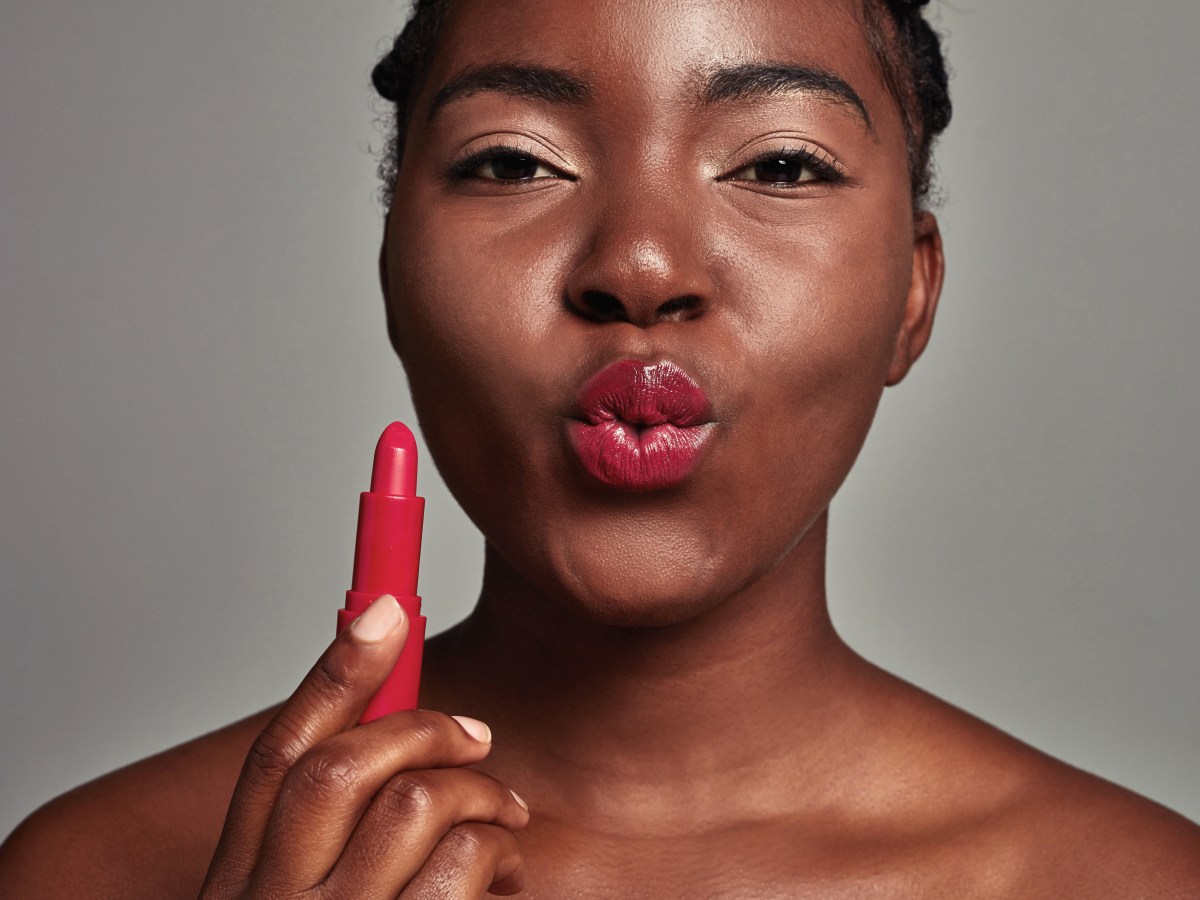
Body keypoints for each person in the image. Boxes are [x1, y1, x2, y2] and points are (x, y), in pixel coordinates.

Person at [2, 0, 1198, 896]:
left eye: (779, 163)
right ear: (390, 279)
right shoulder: (91, 873)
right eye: (513, 161)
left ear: (912, 297)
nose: (639, 265)